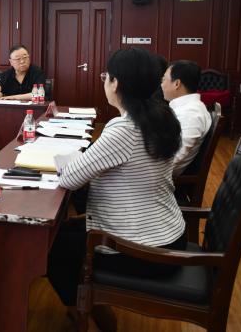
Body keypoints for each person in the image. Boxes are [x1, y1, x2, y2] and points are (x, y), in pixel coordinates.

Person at [47, 48, 186, 328]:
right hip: (168, 233)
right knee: (64, 231)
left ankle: (88, 311)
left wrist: (77, 161)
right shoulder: (161, 118)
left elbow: (70, 179)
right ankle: (87, 304)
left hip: (146, 249)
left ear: (117, 83)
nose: (104, 82)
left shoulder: (124, 129)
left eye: (105, 76)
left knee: (50, 248)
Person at [161, 60, 212, 176]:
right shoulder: (187, 108)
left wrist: (145, 167)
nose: (161, 85)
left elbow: (178, 155)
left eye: (164, 79)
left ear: (177, 83)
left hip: (165, 177)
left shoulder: (191, 113)